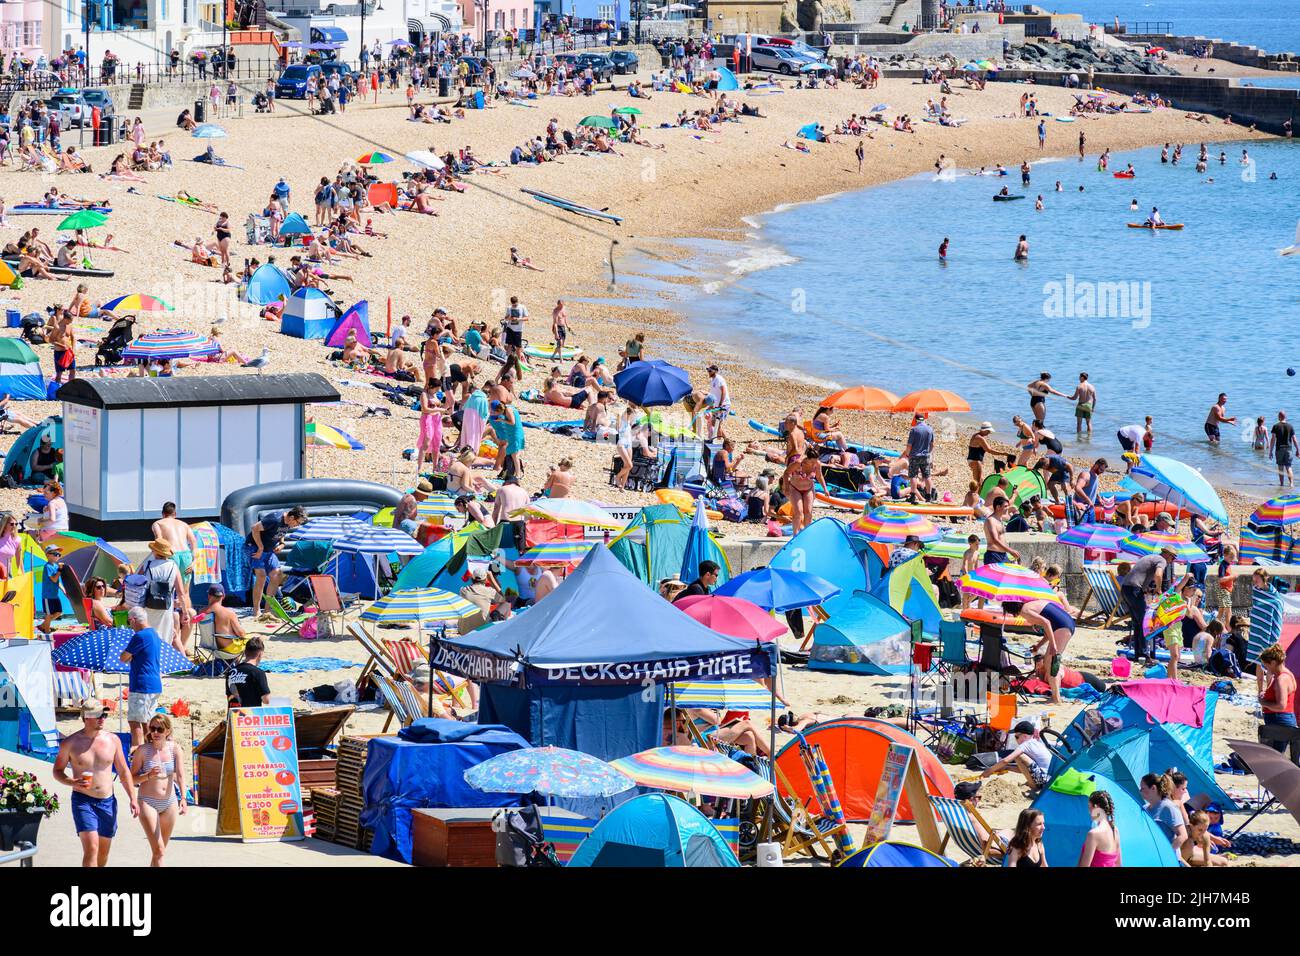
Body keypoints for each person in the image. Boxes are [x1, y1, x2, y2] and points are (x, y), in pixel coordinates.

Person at [53, 699, 138, 867]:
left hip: (107, 802)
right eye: (98, 715)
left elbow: (123, 771)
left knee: (103, 853)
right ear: (86, 717)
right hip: (83, 800)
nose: (102, 718)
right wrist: (71, 782)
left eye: (104, 715)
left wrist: (133, 799)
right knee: (92, 848)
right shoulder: (70, 743)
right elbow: (57, 771)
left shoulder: (112, 740)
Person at [129, 713, 186, 866]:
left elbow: (181, 775)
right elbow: (130, 779)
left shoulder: (175, 749)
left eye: (159, 729)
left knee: (159, 852)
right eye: (152, 728)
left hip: (169, 802)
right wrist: (148, 776)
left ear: (167, 731)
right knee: (159, 851)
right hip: (147, 802)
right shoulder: (142, 750)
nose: (155, 732)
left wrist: (183, 798)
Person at [245, 505, 307, 619]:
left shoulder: (287, 522)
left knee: (276, 575)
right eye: (297, 522)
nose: (297, 525)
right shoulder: (275, 518)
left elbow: (281, 534)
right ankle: (256, 611)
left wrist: (282, 544)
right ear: (292, 517)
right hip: (254, 547)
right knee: (261, 576)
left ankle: (267, 611)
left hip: (268, 550)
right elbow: (254, 528)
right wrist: (260, 548)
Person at [119, 607, 164, 751]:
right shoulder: (154, 633)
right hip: (154, 684)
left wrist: (129, 656)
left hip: (142, 684)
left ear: (133, 620)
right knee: (147, 722)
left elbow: (123, 658)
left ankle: (138, 751)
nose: (129, 625)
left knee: (135, 721)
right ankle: (150, 751)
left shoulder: (140, 636)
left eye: (129, 622)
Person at [136, 538, 191, 655]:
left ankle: (149, 658)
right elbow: (181, 592)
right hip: (166, 608)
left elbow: (136, 583)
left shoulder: (147, 565)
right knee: (165, 636)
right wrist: (185, 612)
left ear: (155, 552)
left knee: (148, 636)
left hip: (148, 606)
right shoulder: (173, 566)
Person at [1120, 547, 1174, 661]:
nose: (1172, 561)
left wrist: (1147, 589)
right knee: (1145, 623)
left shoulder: (1150, 557)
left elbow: (1141, 575)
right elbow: (1158, 575)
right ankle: (1144, 654)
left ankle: (1138, 654)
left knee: (1138, 623)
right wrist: (1159, 589)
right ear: (1168, 555)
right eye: (1173, 558)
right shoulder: (1162, 560)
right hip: (1134, 589)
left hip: (1125, 588)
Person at [981, 721, 1052, 789]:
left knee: (1018, 756)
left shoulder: (1026, 745)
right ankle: (1032, 784)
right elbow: (1025, 769)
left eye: (1016, 737)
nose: (1016, 739)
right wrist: (1007, 768)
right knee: (1021, 758)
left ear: (1025, 736)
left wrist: (989, 771)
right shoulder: (1036, 743)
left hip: (1043, 780)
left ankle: (1033, 786)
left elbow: (1005, 760)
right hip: (1049, 780)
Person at [1258, 643, 1297, 752]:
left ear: (1273, 663)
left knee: (1274, 755)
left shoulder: (1281, 679)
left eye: (1266, 665)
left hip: (1279, 720)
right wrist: (1266, 695)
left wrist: (1263, 702)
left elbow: (1281, 706)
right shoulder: (1287, 674)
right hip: (1282, 720)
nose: (1266, 669)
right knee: (1276, 754)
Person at [1141, 772, 1189, 858]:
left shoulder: (1169, 807)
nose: (1140, 791)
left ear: (1153, 788)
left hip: (1167, 859)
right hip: (1151, 855)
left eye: (1142, 788)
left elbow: (1183, 835)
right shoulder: (1144, 808)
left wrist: (1166, 853)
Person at [151, 501, 197, 588]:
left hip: (171, 553)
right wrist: (194, 561)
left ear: (162, 514)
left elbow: (159, 540)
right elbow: (193, 542)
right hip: (186, 555)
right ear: (175, 514)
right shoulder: (184, 525)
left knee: (169, 588)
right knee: (184, 591)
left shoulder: (157, 523)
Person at [1078, 790, 1122, 867]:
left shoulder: (1093, 834)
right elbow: (1118, 864)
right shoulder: (1115, 831)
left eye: (1089, 807)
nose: (1089, 812)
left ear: (1096, 807)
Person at [226, 636, 271, 708]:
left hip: (234, 713)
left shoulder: (231, 672)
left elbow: (230, 697)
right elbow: (266, 700)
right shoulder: (258, 673)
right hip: (250, 714)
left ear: (245, 652)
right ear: (260, 654)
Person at [204, 584, 246, 655]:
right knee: (256, 639)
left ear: (209, 596)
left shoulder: (201, 612)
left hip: (209, 647)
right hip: (228, 649)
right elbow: (241, 634)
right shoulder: (229, 613)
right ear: (223, 596)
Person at [904, 413, 935, 503]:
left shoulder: (914, 430)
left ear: (915, 420)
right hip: (925, 456)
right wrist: (929, 453)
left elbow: (909, 445)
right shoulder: (930, 429)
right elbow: (932, 444)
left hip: (914, 456)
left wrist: (907, 454)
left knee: (913, 476)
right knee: (927, 476)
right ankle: (929, 496)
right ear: (924, 419)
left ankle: (913, 496)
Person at [983, 496, 1020, 564]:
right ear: (998, 507)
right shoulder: (990, 520)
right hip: (993, 555)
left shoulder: (1000, 519)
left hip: (1003, 555)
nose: (1007, 508)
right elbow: (995, 539)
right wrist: (1010, 551)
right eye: (1005, 506)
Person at [39, 543, 64, 635]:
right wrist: (60, 570)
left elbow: (57, 581)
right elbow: (54, 579)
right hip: (48, 595)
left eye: (59, 554)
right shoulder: (47, 566)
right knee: (48, 614)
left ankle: (43, 625)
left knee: (59, 612)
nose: (57, 556)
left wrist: (63, 589)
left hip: (54, 595)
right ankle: (46, 631)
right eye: (55, 554)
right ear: (48, 555)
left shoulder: (56, 566)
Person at [1269, 410, 1298, 488]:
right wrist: (1298, 450)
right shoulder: (1290, 426)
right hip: (1289, 449)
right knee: (1288, 467)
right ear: (1285, 416)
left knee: (1280, 467)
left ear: (1279, 417)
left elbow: (1273, 439)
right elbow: (1294, 439)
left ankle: (1281, 484)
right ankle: (1291, 484)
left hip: (1279, 449)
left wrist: (1270, 451)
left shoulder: (1276, 426)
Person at [1068, 372, 1096, 437]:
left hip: (1081, 405)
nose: (1079, 378)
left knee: (1079, 424)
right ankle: (1089, 438)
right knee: (1088, 423)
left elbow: (1074, 398)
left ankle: (1079, 438)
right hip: (1089, 405)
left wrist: (1068, 397)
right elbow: (1095, 399)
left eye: (1079, 377)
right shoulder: (1092, 386)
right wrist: (1093, 408)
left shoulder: (1079, 386)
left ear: (1082, 377)